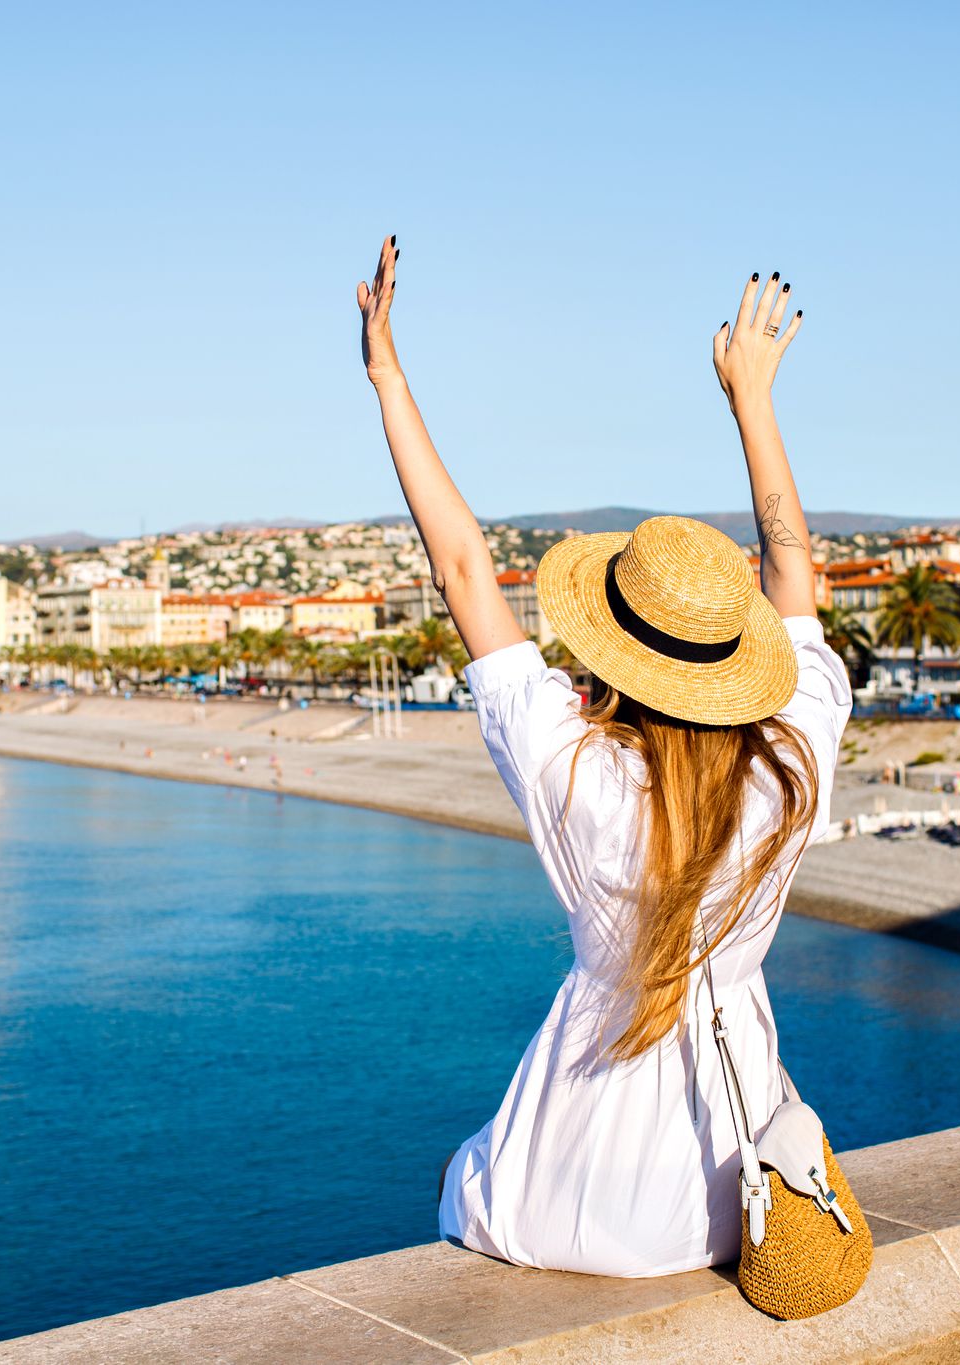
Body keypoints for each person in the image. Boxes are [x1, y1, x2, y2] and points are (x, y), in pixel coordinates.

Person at [356, 238, 851, 1276]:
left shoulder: (578, 774)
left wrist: (387, 376)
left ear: (611, 660)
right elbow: (792, 561)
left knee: (459, 1175)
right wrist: (751, 399)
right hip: (727, 1204)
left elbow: (459, 566)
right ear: (733, 656)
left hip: (563, 1204)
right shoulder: (792, 763)